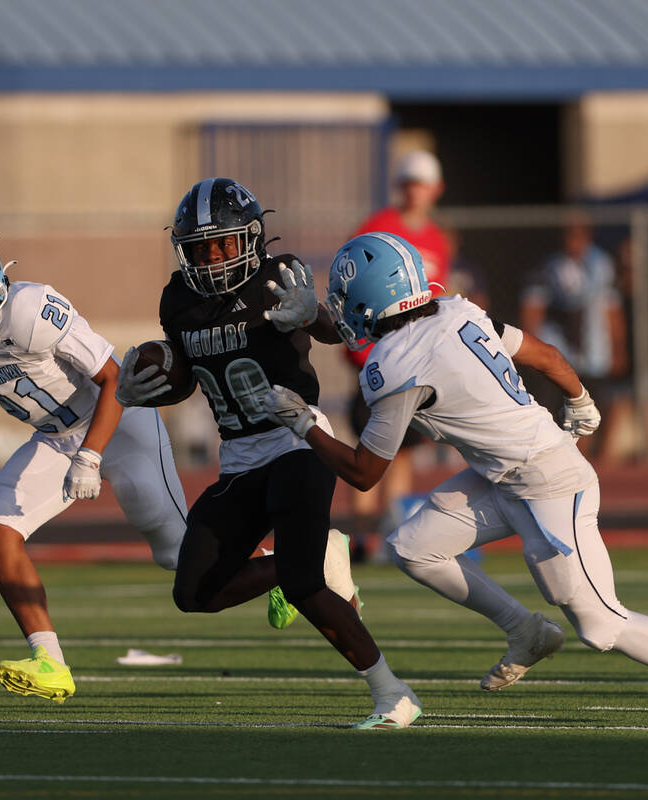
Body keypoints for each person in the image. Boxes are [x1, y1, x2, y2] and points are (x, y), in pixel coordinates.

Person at [261, 231, 648, 731]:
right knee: (414, 547)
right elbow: (543, 355)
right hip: (506, 474)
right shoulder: (456, 311)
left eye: (344, 300)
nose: (340, 310)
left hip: (549, 483)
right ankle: (526, 632)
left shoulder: (394, 365)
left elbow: (364, 474)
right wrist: (580, 399)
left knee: (601, 623)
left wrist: (306, 425)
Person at [114, 178, 420, 729]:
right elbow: (192, 379)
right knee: (195, 592)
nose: (211, 257)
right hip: (238, 458)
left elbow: (337, 333)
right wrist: (149, 389)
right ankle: (312, 558)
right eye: (200, 247)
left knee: (305, 587)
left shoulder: (277, 276)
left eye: (223, 243)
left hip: (297, 439)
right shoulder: (178, 299)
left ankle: (393, 693)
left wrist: (311, 315)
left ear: (252, 237)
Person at [0, 219, 190, 704]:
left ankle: (290, 561)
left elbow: (113, 379)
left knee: (180, 556)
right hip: (55, 437)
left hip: (120, 423)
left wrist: (91, 455)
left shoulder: (30, 308)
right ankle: (50, 663)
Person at [346, 150, 452, 561]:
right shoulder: (378, 228)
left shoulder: (438, 239)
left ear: (435, 189)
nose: (414, 191)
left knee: (404, 452)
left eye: (421, 183)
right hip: (378, 356)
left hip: (417, 361)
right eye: (408, 182)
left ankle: (393, 530)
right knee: (367, 450)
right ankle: (361, 539)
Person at [520, 212, 629, 460]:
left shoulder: (602, 265)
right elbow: (533, 308)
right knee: (556, 407)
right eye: (570, 235)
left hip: (595, 350)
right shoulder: (550, 267)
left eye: (580, 235)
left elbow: (612, 309)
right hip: (560, 351)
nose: (575, 241)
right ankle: (559, 455)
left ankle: (596, 457)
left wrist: (618, 347)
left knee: (597, 404)